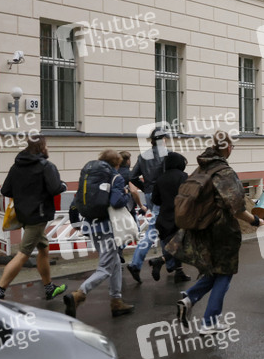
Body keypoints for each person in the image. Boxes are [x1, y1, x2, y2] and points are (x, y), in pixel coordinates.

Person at [176, 131, 264, 333]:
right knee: (225, 273)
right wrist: (255, 220)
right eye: (232, 146)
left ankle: (189, 298)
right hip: (221, 230)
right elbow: (237, 209)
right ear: (228, 148)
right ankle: (209, 322)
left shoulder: (202, 167)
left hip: (201, 228)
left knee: (215, 270)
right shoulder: (224, 172)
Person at [0, 136, 66, 301]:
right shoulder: (46, 166)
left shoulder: (17, 166)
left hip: (23, 214)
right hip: (38, 216)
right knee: (23, 253)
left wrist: (23, 194)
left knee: (43, 249)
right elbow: (55, 188)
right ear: (42, 147)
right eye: (46, 145)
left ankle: (49, 288)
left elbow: (6, 190)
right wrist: (63, 185)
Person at [63, 150, 136, 318]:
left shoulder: (89, 178)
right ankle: (79, 294)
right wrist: (126, 195)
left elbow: (75, 202)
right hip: (107, 227)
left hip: (91, 226)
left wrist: (75, 223)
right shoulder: (115, 177)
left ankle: (116, 301)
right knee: (105, 267)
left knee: (115, 262)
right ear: (117, 163)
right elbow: (116, 202)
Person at [128, 126, 170, 283]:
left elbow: (132, 176)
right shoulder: (167, 154)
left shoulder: (143, 156)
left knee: (162, 226)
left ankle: (171, 263)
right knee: (155, 229)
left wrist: (145, 187)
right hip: (163, 194)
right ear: (163, 139)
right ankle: (136, 263)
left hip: (149, 194)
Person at [149, 151, 191, 283]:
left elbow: (155, 200)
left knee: (174, 244)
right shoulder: (183, 176)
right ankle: (161, 260)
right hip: (179, 217)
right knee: (183, 245)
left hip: (164, 218)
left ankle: (179, 272)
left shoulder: (160, 178)